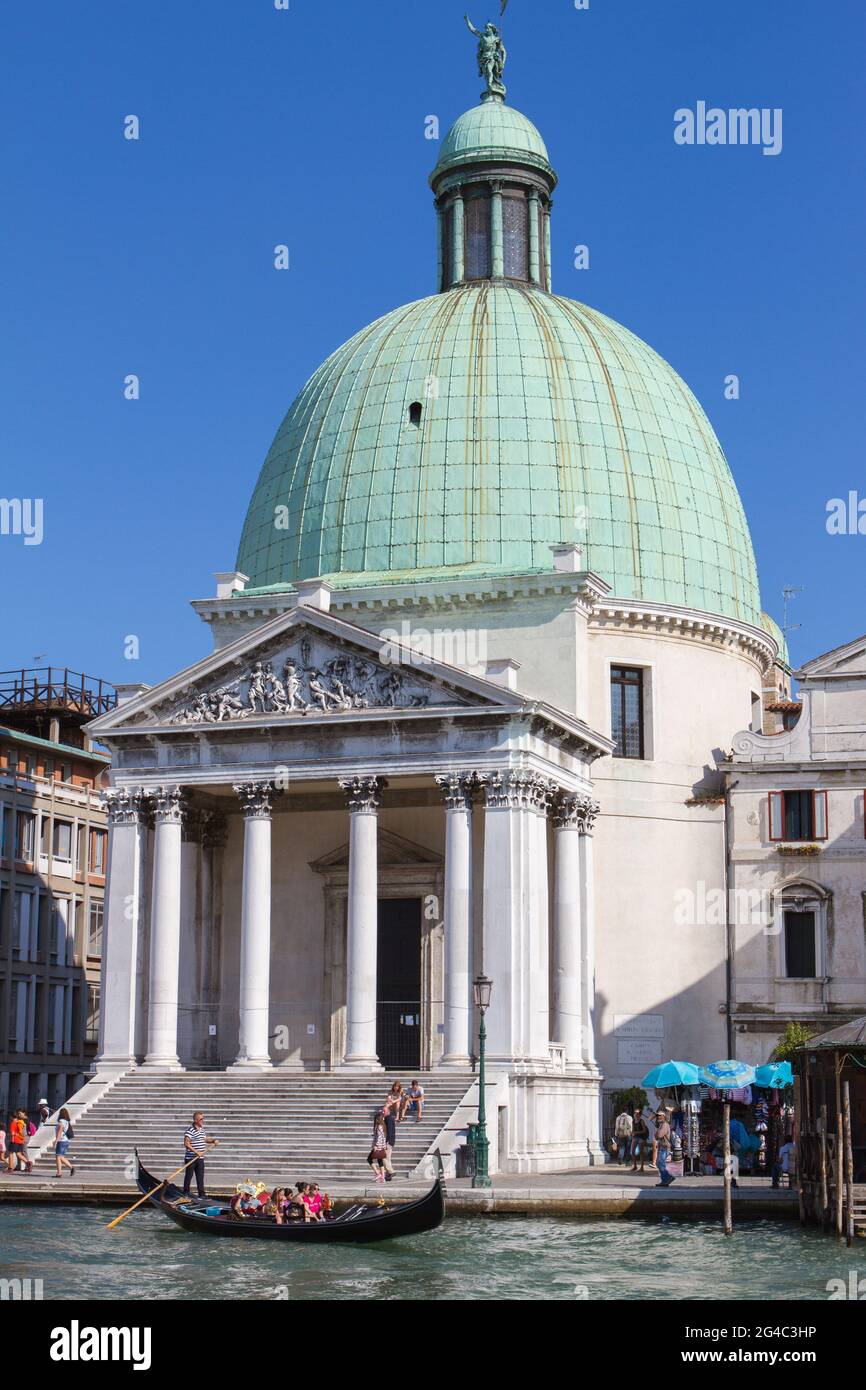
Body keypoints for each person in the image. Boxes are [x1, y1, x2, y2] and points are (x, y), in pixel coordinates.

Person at [181, 1111, 219, 1197]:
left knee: (200, 1176)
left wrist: (213, 1141)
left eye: (203, 1118)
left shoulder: (202, 1129)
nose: (203, 1120)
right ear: (196, 1120)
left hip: (200, 1158)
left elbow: (204, 1139)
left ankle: (201, 1194)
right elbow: (186, 1143)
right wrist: (196, 1152)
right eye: (201, 1119)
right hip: (191, 1158)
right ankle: (186, 1192)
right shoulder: (190, 1130)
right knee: (189, 1176)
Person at [653, 1108, 675, 1188]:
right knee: (660, 1163)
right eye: (657, 1115)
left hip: (665, 1147)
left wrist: (657, 1132)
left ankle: (668, 1177)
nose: (658, 1117)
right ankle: (664, 1181)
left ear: (664, 1117)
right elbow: (656, 1136)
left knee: (660, 1163)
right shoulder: (661, 1125)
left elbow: (659, 1135)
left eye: (659, 1116)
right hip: (662, 1147)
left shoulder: (665, 1125)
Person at [368, 1110, 391, 1184]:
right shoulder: (383, 1126)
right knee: (380, 1161)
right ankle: (382, 1178)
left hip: (378, 1147)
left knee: (369, 1159)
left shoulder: (378, 1127)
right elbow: (383, 1137)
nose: (375, 1120)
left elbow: (379, 1138)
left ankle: (378, 1174)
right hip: (381, 1147)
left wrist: (376, 1146)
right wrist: (384, 1147)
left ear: (378, 1119)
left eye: (376, 1119)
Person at [53, 1107, 75, 1177]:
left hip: (61, 1141)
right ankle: (69, 1168)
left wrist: (56, 1141)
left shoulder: (61, 1121)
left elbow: (59, 1132)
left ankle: (61, 1172)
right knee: (60, 1156)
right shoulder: (67, 1122)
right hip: (66, 1141)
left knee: (58, 1156)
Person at [631, 1106, 649, 1173]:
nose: (636, 1114)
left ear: (640, 1114)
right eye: (635, 1113)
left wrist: (636, 1132)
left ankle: (642, 1167)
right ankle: (635, 1166)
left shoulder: (642, 1121)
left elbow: (644, 1131)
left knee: (641, 1152)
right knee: (632, 1152)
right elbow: (633, 1129)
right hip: (635, 1137)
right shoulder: (633, 1121)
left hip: (641, 1137)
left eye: (637, 1113)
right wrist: (632, 1133)